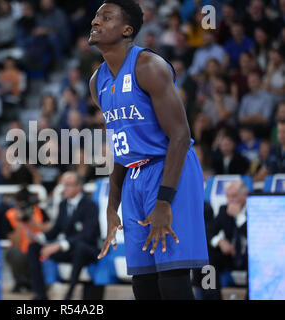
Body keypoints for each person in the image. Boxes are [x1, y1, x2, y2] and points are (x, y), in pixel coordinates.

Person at [88, 0, 208, 300]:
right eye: (96, 16)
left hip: (168, 169)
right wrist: (111, 207)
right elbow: (120, 146)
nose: (95, 21)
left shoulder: (148, 66)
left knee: (172, 279)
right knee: (144, 285)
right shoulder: (97, 81)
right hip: (133, 176)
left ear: (127, 29)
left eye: (106, 17)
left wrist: (165, 202)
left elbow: (181, 135)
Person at [27, 172, 101, 300]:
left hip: (88, 250)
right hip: (68, 249)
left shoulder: (90, 205)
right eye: (63, 185)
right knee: (33, 247)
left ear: (79, 187)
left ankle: (69, 294)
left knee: (80, 247)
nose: (64, 188)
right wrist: (39, 237)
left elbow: (88, 235)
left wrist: (59, 245)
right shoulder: (63, 204)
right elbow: (56, 229)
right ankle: (41, 294)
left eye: (68, 185)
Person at [4, 187, 51, 293]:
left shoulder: (38, 211)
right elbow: (15, 241)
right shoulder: (10, 214)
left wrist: (32, 222)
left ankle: (43, 282)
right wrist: (20, 223)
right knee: (14, 253)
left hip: (40, 248)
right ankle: (21, 282)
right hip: (22, 251)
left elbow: (50, 229)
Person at [208, 180, 248, 292]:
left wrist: (239, 217)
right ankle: (210, 296)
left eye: (234, 196)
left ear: (245, 195)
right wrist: (220, 241)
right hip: (230, 258)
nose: (230, 200)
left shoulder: (254, 209)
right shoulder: (224, 210)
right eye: (228, 196)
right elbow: (209, 231)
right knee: (209, 255)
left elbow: (257, 236)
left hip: (249, 258)